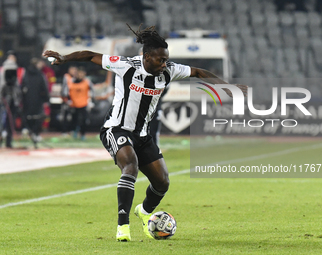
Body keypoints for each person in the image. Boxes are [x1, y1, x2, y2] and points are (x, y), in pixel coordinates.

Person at [43, 24, 247, 242]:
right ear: (147, 56)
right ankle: (123, 227)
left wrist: (227, 87)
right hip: (116, 128)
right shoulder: (125, 65)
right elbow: (90, 55)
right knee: (130, 166)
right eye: (160, 60)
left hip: (142, 135)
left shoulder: (168, 71)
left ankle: (144, 210)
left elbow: (197, 72)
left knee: (163, 182)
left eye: (166, 59)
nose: (164, 64)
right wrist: (64, 58)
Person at [21, 58, 49, 148]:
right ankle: (36, 134)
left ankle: (30, 133)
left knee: (29, 118)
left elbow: (22, 86)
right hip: (38, 100)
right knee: (38, 118)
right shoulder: (40, 74)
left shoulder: (25, 74)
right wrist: (46, 99)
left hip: (27, 101)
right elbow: (44, 87)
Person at [63, 67, 93, 140]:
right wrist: (68, 100)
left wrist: (91, 101)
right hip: (74, 104)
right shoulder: (71, 82)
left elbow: (92, 92)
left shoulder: (87, 82)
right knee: (74, 119)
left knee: (84, 120)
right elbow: (66, 92)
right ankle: (74, 132)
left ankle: (82, 134)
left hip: (84, 104)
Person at [0, 50, 21, 148]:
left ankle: (8, 141)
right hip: (4, 99)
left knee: (8, 121)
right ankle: (7, 141)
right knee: (4, 121)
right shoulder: (2, 70)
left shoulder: (15, 71)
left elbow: (16, 85)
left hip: (10, 99)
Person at [60, 66, 78, 136]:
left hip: (75, 99)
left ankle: (72, 130)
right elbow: (64, 88)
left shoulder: (76, 78)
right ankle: (64, 131)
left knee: (74, 115)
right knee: (65, 115)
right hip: (67, 98)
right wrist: (65, 99)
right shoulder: (66, 77)